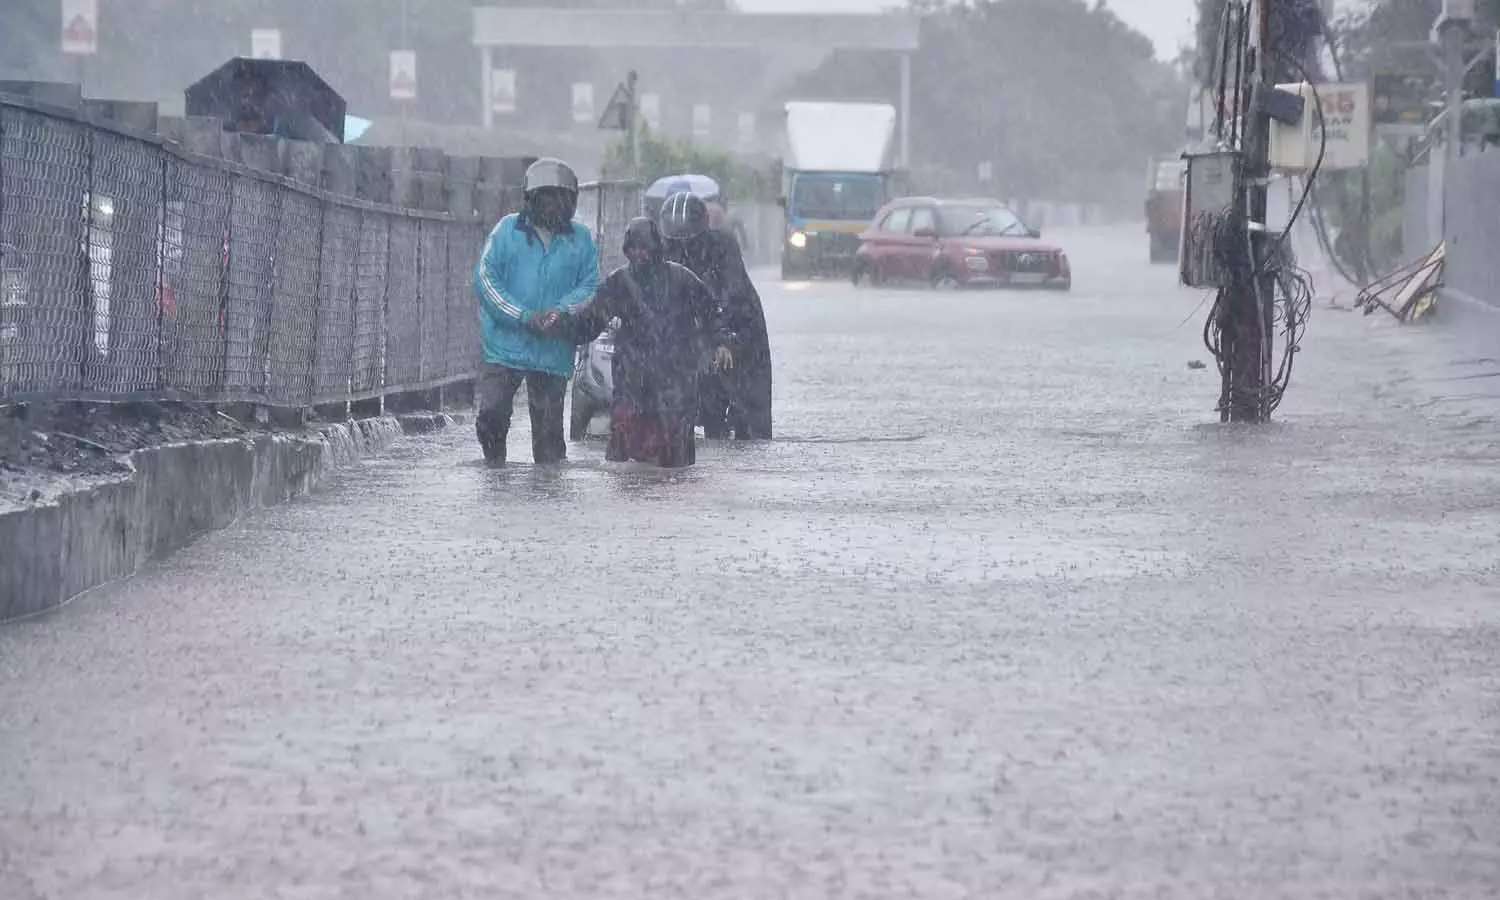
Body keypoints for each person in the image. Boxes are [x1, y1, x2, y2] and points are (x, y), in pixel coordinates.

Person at [539, 217, 734, 469]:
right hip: (632, 382)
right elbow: (589, 322)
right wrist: (560, 325)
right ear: (626, 250)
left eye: (644, 248)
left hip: (675, 385)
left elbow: (711, 313)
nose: (639, 254)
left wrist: (721, 342)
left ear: (656, 248)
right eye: (633, 248)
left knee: (675, 463)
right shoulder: (618, 283)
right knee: (624, 460)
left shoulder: (682, 279)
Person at [472, 157, 599, 465]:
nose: (553, 205)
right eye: (546, 197)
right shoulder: (505, 230)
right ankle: (494, 473)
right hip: (504, 346)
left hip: (552, 350)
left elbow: (591, 286)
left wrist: (561, 311)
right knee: (491, 415)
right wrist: (523, 316)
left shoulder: (581, 240)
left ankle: (548, 499)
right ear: (531, 198)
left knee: (549, 440)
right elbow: (485, 279)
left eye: (560, 198)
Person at [658, 191, 773, 440]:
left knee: (746, 408)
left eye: (689, 242)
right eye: (676, 243)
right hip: (690, 331)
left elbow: (733, 296)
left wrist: (724, 340)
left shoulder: (723, 247)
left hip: (738, 324)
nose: (683, 248)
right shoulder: (661, 249)